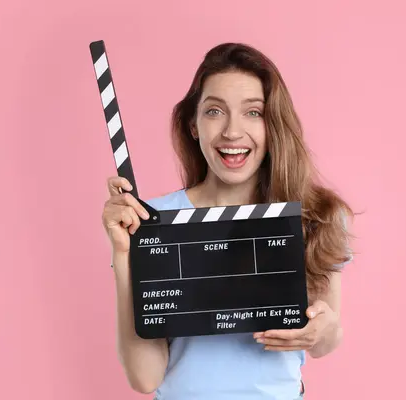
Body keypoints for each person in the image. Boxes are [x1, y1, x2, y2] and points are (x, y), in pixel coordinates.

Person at [101, 42, 354, 400]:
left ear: (273, 126)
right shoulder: (150, 220)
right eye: (215, 111)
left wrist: (324, 330)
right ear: (193, 124)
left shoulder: (316, 217)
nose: (232, 132)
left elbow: (324, 343)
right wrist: (126, 254)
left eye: (253, 112)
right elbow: (145, 378)